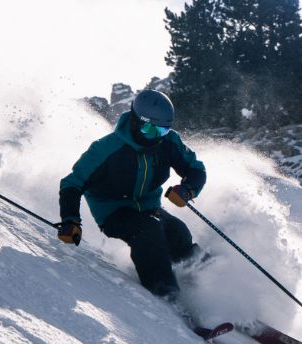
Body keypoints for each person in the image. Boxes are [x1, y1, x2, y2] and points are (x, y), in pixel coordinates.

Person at [57, 90, 206, 300]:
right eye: (149, 129)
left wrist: (188, 190)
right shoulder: (106, 149)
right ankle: (167, 294)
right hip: (113, 211)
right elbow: (72, 184)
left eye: (161, 131)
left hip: (148, 206)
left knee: (178, 232)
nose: (154, 137)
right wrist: (70, 219)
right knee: (148, 231)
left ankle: (210, 286)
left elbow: (196, 170)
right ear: (135, 122)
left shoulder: (169, 142)